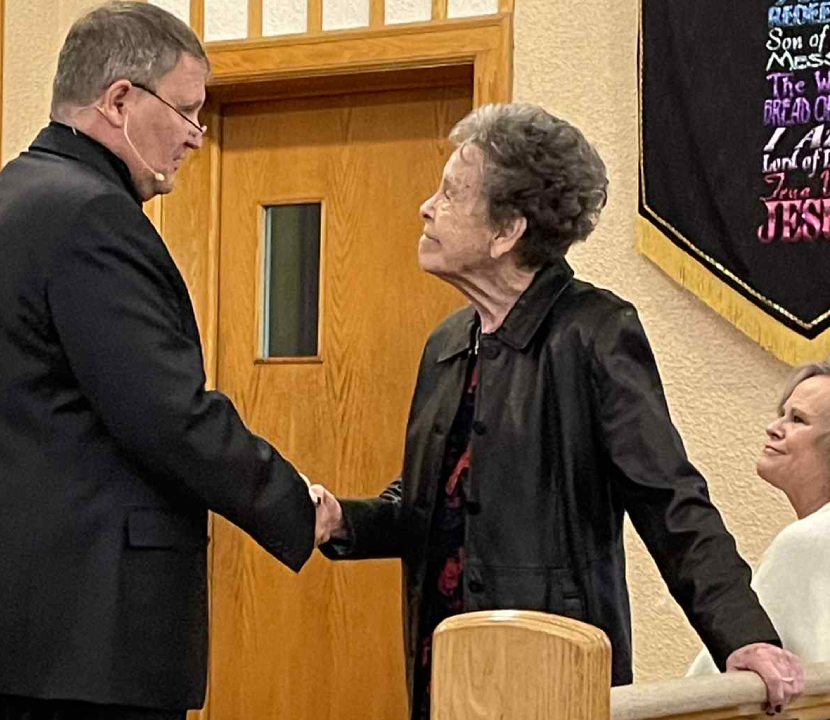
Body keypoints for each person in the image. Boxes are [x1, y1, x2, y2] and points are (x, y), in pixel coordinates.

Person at [310, 103, 804, 719]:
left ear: (507, 231)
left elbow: (670, 502)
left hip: (556, 675)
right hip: (448, 674)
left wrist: (744, 637)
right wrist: (341, 520)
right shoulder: (447, 342)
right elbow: (429, 507)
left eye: (450, 194)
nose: (426, 208)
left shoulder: (595, 331)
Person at [0, 1, 337, 720]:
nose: (196, 136)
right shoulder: (92, 216)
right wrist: (294, 504)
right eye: (186, 111)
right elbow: (166, 414)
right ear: (119, 100)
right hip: (90, 634)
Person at [689, 360, 830, 674]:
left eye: (797, 419)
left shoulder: (809, 541)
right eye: (782, 413)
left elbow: (722, 680)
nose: (774, 428)